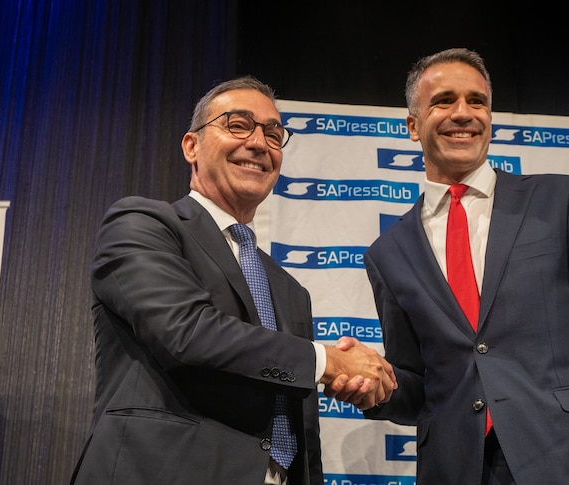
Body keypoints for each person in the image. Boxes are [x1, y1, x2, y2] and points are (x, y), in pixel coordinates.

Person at [358, 48, 569, 484]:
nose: (464, 113)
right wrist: (376, 388)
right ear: (413, 126)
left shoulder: (560, 202)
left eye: (477, 101)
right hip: (455, 470)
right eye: (444, 101)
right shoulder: (388, 252)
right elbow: (419, 386)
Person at [71, 76, 395, 485]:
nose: (259, 143)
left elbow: (291, 397)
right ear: (192, 145)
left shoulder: (289, 289)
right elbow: (187, 332)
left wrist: (352, 381)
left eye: (274, 134)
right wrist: (328, 361)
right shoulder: (143, 225)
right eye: (238, 125)